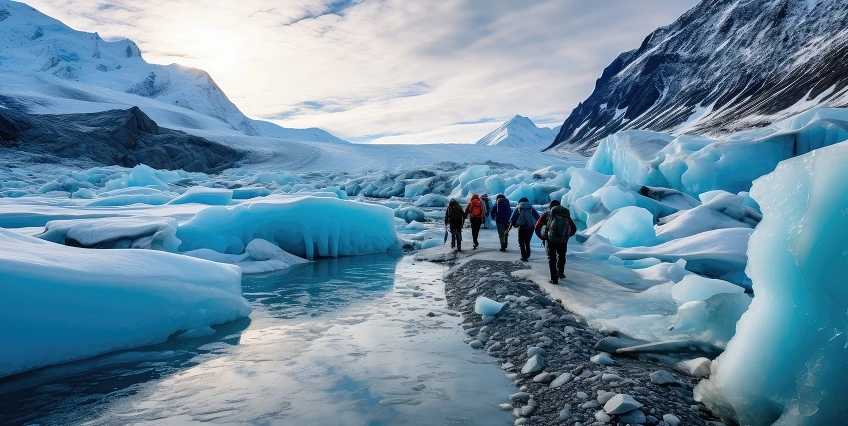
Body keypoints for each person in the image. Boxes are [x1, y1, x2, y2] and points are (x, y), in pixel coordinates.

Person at [535, 200, 577, 284]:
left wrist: (542, 237)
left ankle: (554, 279)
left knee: (552, 258)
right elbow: (574, 228)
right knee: (561, 255)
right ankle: (560, 272)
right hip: (562, 240)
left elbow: (537, 227)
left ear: (551, 207)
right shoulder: (565, 216)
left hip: (550, 240)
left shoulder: (547, 214)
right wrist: (566, 236)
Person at [510, 197, 540, 262]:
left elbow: (513, 216)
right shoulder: (531, 208)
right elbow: (537, 217)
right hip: (530, 227)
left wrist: (513, 224)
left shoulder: (519, 207)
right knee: (527, 242)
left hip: (522, 227)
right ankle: (528, 254)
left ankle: (524, 256)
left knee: (521, 242)